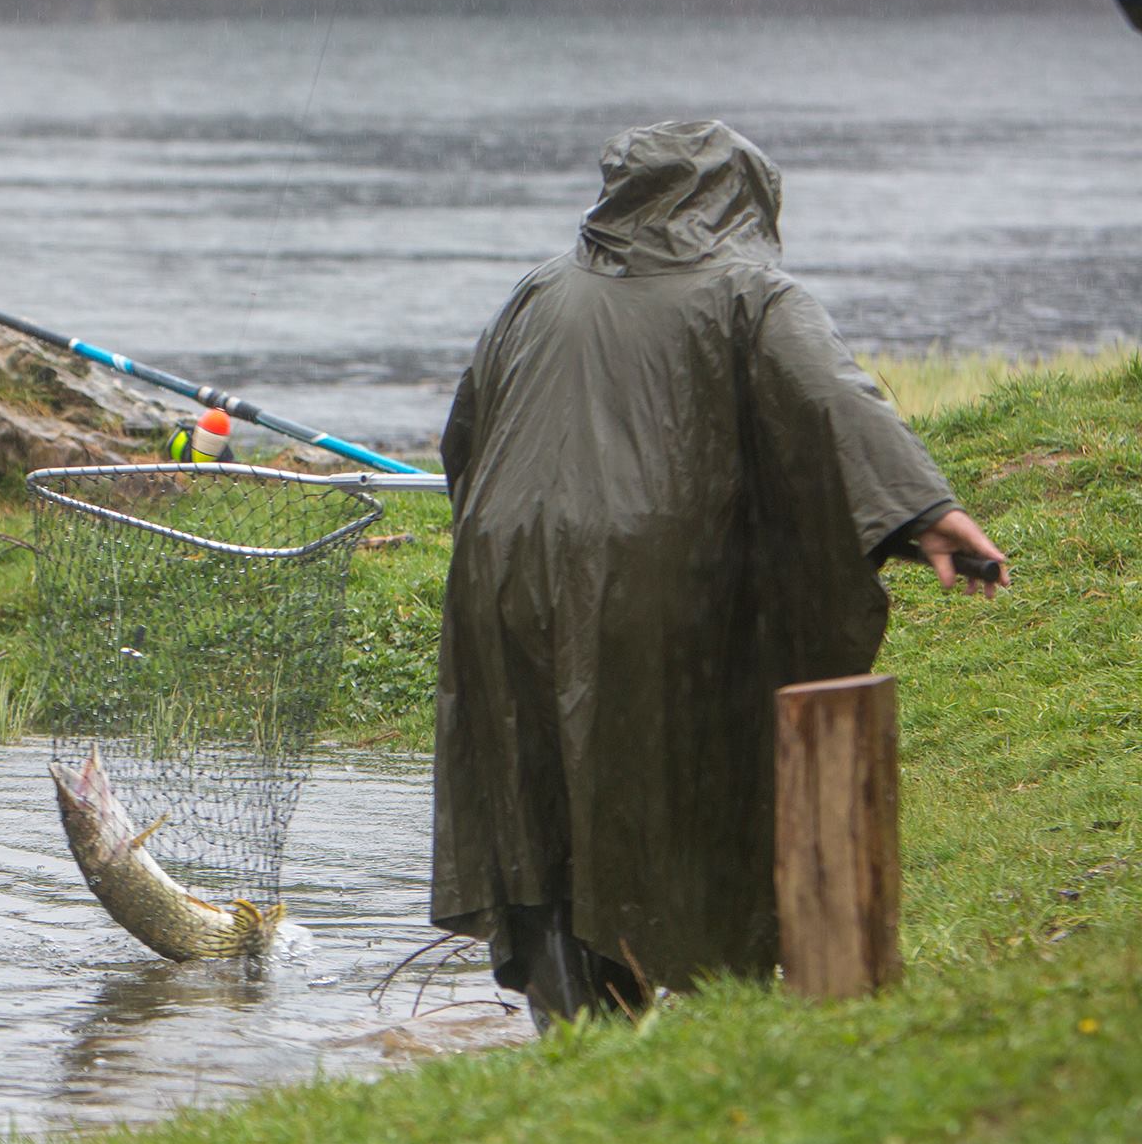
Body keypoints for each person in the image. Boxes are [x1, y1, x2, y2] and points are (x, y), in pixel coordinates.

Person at [431, 121, 1007, 1028]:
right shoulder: (751, 293)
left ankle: (578, 1025)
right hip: (650, 580)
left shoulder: (535, 293)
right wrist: (923, 514)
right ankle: (676, 975)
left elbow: (464, 438)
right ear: (740, 200)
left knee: (541, 781)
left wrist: (505, 550)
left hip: (498, 577)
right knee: (663, 774)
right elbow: (833, 402)